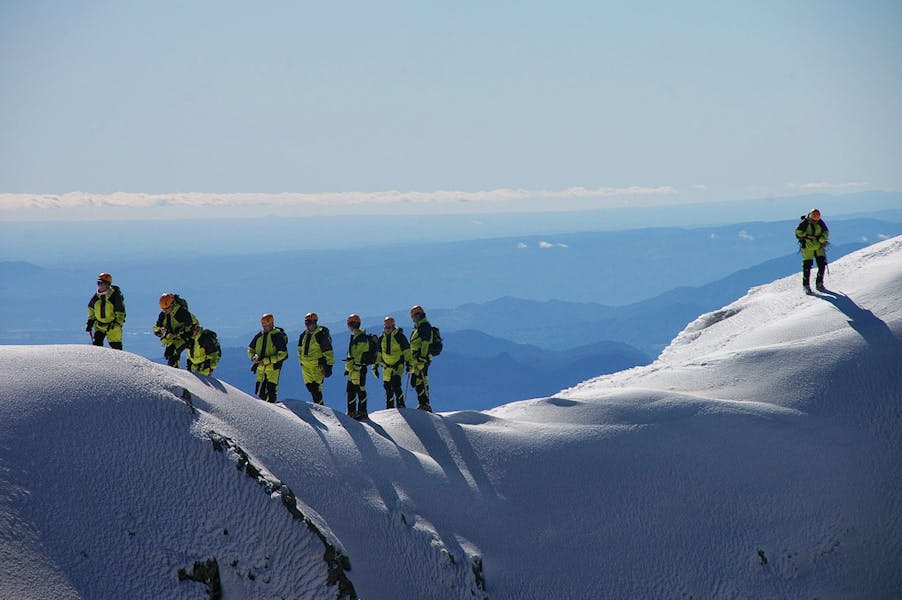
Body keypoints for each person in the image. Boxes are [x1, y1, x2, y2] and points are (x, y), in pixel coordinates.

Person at [248, 313, 289, 402]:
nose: (265, 327)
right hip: (261, 368)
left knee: (271, 392)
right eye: (263, 325)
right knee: (259, 392)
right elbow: (250, 349)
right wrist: (252, 357)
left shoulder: (276, 335)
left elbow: (283, 354)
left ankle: (271, 408)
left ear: (272, 323)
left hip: (273, 368)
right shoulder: (259, 335)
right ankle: (266, 408)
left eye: (266, 324)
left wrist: (268, 360)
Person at [297, 312, 334, 405]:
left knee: (316, 389)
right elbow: (299, 349)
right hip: (305, 367)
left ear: (315, 322)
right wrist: (301, 362)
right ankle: (319, 407)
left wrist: (328, 366)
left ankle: (320, 408)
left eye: (309, 322)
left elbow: (328, 351)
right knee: (310, 387)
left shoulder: (320, 334)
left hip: (317, 366)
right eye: (306, 322)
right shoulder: (303, 335)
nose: (307, 324)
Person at [375, 316, 411, 409]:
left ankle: (401, 404)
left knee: (396, 384)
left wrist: (409, 363)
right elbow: (378, 353)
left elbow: (407, 351)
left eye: (389, 327)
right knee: (387, 387)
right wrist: (375, 367)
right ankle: (389, 407)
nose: (387, 329)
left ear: (393, 327)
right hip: (386, 367)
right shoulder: (381, 338)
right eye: (386, 327)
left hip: (397, 365)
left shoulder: (399, 336)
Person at [153, 292, 198, 368]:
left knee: (172, 352)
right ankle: (175, 370)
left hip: (186, 337)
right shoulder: (163, 315)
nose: (165, 311)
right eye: (163, 309)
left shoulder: (181, 312)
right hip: (173, 338)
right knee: (169, 354)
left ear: (172, 304)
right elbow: (156, 326)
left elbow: (191, 325)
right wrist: (159, 330)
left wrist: (181, 330)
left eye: (167, 308)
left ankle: (176, 371)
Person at [86, 272, 126, 350]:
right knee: (97, 345)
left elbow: (120, 312)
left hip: (113, 327)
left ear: (108, 284)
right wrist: (90, 322)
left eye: (102, 283)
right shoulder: (97, 296)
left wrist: (117, 323)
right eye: (98, 283)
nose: (100, 285)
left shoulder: (115, 296)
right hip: (99, 326)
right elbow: (91, 309)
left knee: (116, 347)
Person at [795, 208, 830, 293]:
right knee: (807, 266)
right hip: (808, 247)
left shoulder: (819, 222)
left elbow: (826, 232)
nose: (815, 221)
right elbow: (798, 232)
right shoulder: (805, 222)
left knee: (821, 265)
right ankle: (807, 285)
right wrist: (808, 236)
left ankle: (819, 283)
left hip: (816, 247)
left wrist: (821, 238)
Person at [343, 314, 371, 419]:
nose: (349, 327)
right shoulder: (357, 336)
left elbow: (359, 355)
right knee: (352, 390)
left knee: (359, 390)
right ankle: (353, 411)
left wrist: (351, 364)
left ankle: (360, 412)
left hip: (358, 369)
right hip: (354, 370)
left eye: (349, 324)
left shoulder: (360, 337)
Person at [408, 305, 434, 412]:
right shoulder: (419, 326)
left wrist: (422, 358)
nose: (413, 319)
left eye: (413, 316)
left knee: (421, 380)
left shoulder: (424, 326)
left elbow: (425, 343)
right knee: (418, 381)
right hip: (417, 360)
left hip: (421, 359)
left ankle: (425, 404)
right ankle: (423, 403)